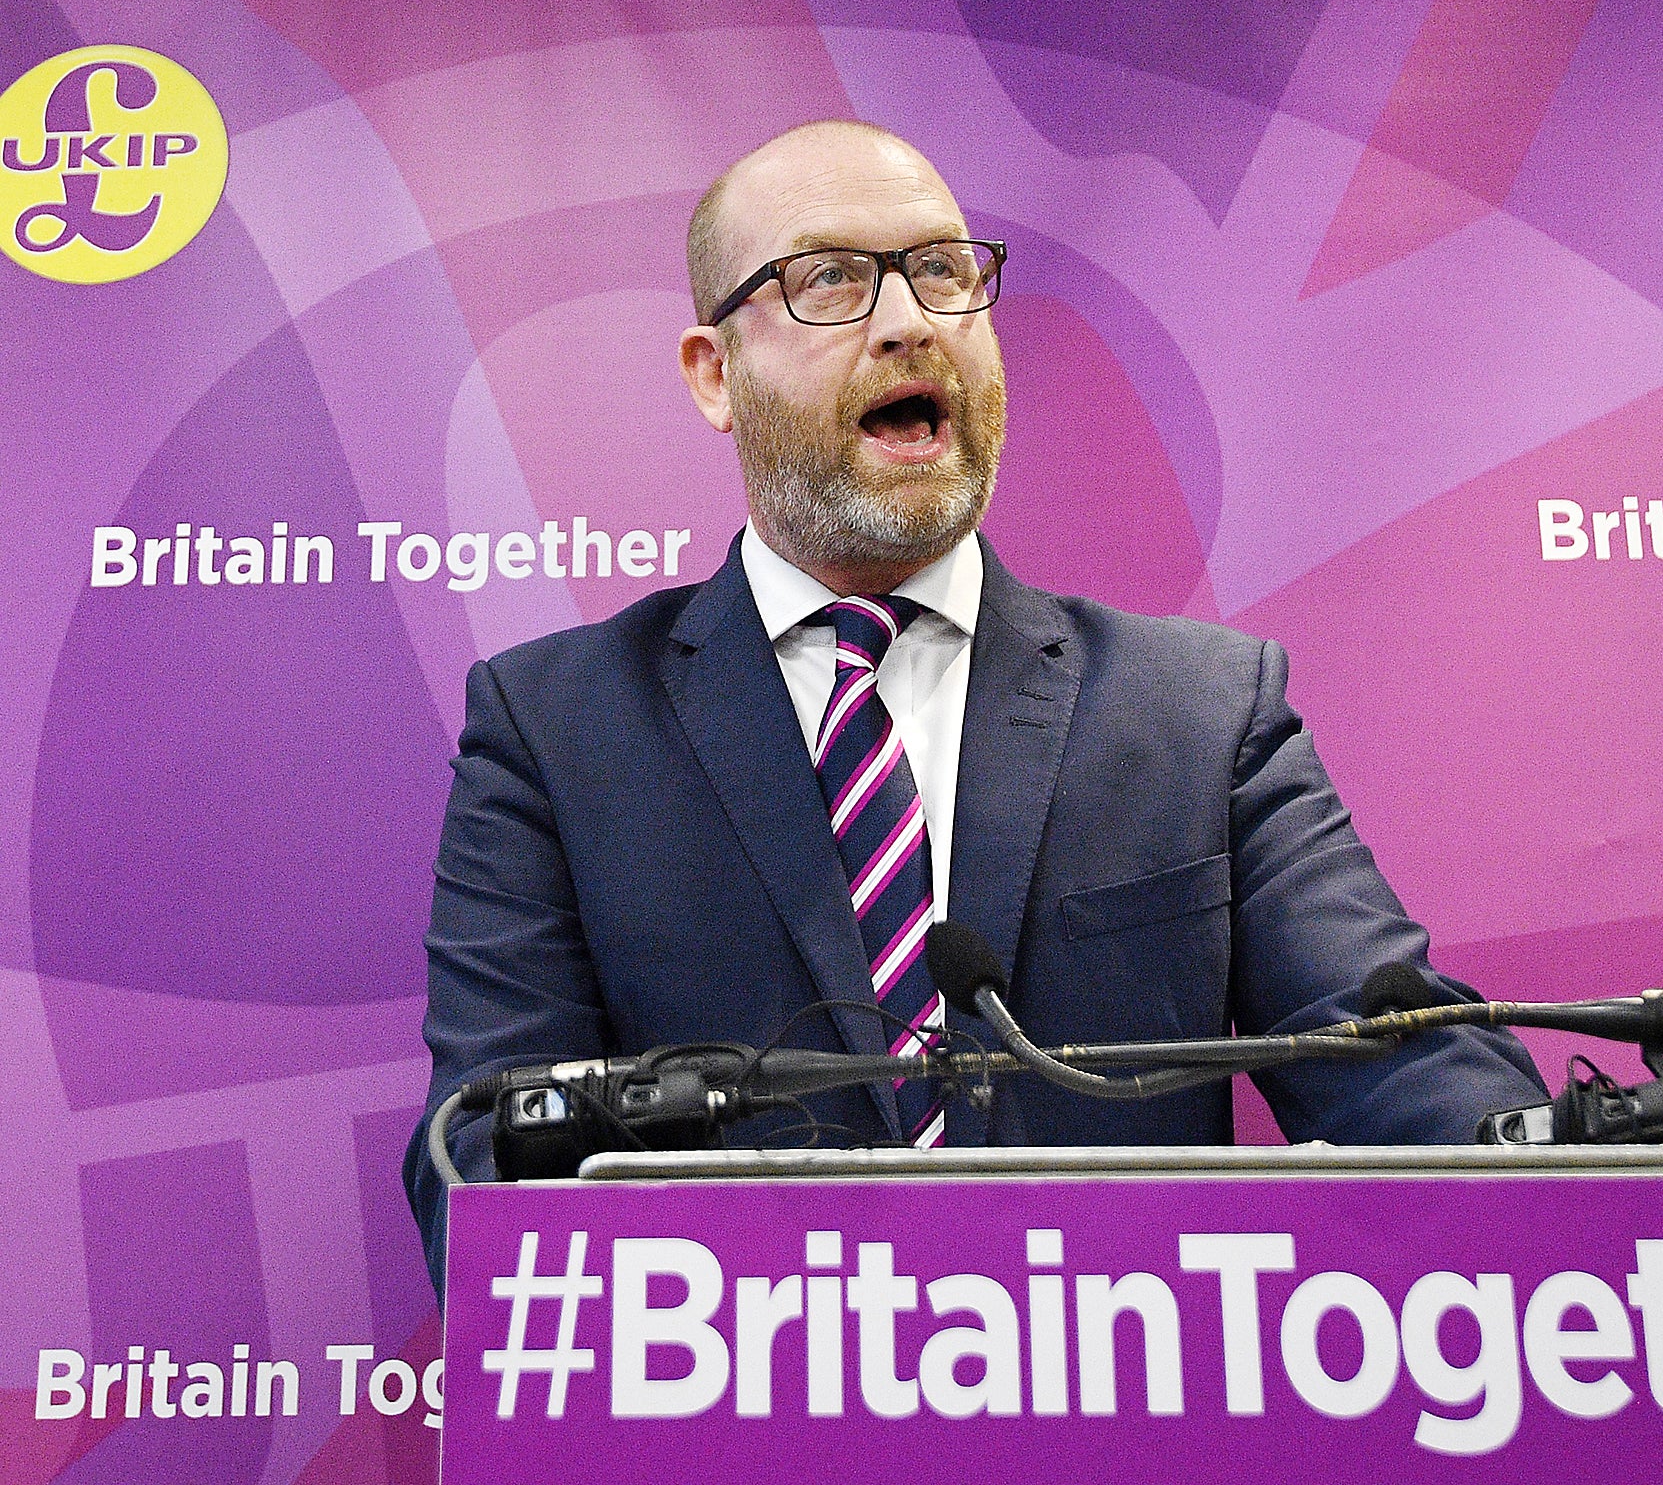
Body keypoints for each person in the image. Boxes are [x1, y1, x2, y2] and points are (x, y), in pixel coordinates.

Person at [403, 120, 1546, 1289]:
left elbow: (1406, 1072)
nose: (908, 321)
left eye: (942, 271)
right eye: (830, 280)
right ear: (714, 375)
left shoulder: (1200, 715)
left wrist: (1554, 1178)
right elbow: (485, 1156)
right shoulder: (556, 731)